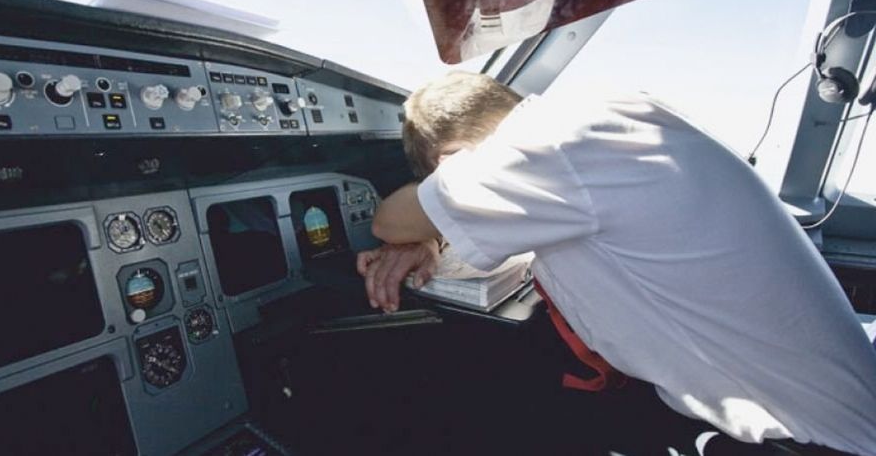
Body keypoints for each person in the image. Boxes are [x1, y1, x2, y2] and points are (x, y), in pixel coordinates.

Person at [355, 71, 876, 455]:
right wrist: (433, 239)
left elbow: (389, 220)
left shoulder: (541, 149)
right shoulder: (598, 118)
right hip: (829, 412)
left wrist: (425, 224)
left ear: (453, 163)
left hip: (812, 440)